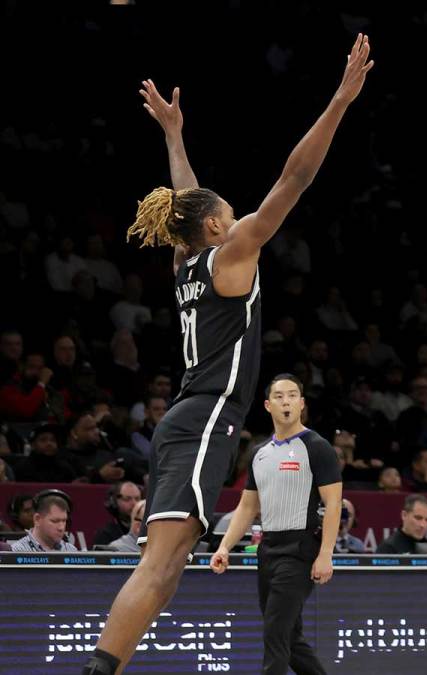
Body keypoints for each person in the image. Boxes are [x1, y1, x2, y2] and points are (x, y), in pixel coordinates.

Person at [84, 36, 373, 675]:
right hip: (208, 416)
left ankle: (107, 669)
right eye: (229, 212)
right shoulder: (232, 252)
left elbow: (185, 201)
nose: (237, 215)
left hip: (185, 421)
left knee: (168, 567)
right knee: (160, 565)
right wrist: (339, 101)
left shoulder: (189, 258)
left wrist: (174, 136)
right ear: (219, 228)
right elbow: (293, 178)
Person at [210, 374, 342, 675]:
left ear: (302, 403)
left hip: (300, 550)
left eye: (293, 395)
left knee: (275, 633)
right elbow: (247, 506)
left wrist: (326, 554)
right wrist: (225, 546)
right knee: (290, 639)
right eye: (280, 396)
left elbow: (333, 504)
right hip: (267, 550)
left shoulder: (318, 447)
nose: (287, 401)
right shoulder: (259, 453)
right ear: (268, 405)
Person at [10, 490, 77, 552]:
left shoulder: (71, 550)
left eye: (64, 521)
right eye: (55, 521)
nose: (61, 528)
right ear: (37, 519)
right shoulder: (17, 551)